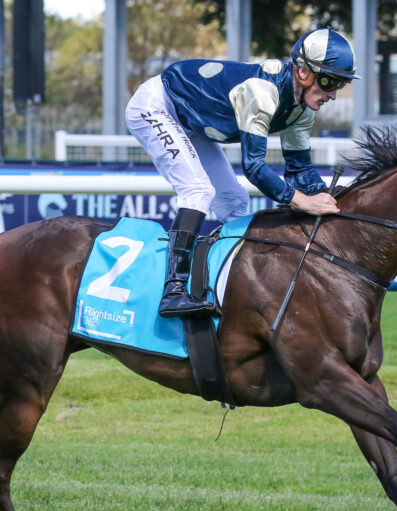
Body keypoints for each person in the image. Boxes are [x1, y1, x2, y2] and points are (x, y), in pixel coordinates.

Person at [125, 27, 359, 318]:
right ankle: (173, 290)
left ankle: (233, 285)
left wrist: (334, 199)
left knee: (235, 200)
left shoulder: (302, 110)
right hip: (158, 106)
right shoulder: (262, 92)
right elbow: (255, 168)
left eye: (340, 84)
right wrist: (303, 201)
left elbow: (300, 170)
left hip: (191, 122)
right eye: (329, 82)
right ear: (303, 73)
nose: (333, 94)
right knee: (198, 191)